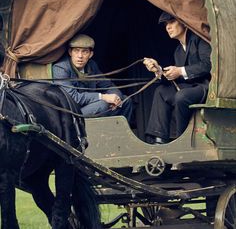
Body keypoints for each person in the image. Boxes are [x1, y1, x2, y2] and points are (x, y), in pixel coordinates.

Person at [143, 11, 211, 144]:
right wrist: (159, 70)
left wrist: (179, 71)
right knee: (161, 92)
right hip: (190, 87)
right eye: (166, 24)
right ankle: (159, 140)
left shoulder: (199, 39)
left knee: (182, 96)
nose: (168, 27)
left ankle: (182, 141)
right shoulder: (178, 51)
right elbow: (178, 79)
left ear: (183, 22)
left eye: (172, 22)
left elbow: (207, 65)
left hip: (205, 86)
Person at [52, 34, 132, 122]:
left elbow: (108, 85)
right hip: (72, 112)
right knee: (103, 104)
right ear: (70, 52)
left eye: (85, 52)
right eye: (76, 51)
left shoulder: (92, 65)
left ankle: (119, 133)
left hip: (89, 106)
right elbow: (73, 98)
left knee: (125, 101)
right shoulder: (61, 68)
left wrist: (116, 98)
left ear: (90, 54)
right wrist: (103, 96)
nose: (80, 56)